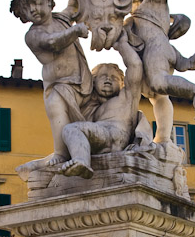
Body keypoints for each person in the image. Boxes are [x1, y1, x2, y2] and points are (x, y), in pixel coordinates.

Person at [126, 0, 195, 147]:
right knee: (157, 96)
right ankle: (162, 138)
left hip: (157, 49)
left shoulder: (155, 1)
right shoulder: (134, 14)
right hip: (153, 52)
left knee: (158, 83)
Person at [10, 0, 94, 166]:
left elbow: (74, 5)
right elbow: (52, 42)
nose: (33, 10)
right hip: (58, 87)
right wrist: (75, 31)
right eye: (26, 9)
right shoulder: (33, 34)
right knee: (58, 112)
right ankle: (61, 152)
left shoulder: (62, 19)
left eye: (36, 2)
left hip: (83, 82)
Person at [61, 31, 144, 178]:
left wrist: (122, 44)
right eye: (103, 77)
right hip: (101, 140)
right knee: (70, 129)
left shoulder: (127, 97)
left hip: (115, 134)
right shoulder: (92, 107)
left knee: (71, 128)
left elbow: (135, 66)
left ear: (122, 83)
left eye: (114, 78)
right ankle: (78, 161)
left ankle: (81, 160)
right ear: (93, 82)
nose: (108, 80)